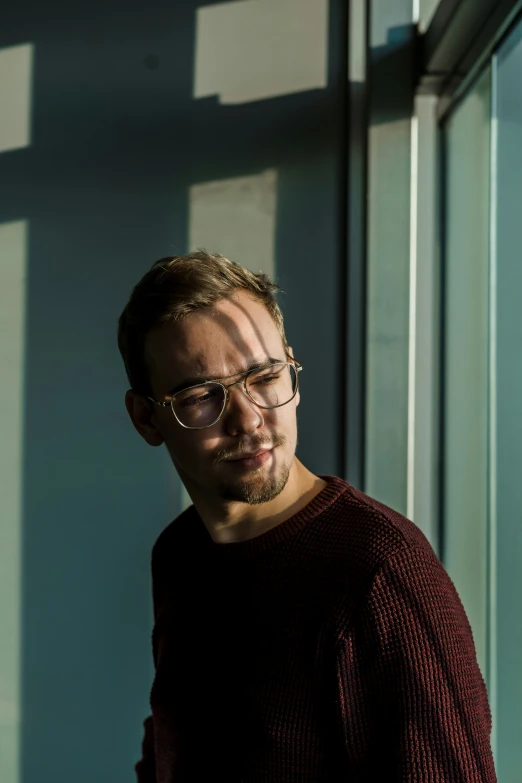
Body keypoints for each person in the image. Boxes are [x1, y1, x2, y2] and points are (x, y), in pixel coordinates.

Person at [118, 251, 496, 783]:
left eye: (265, 376)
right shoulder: (181, 552)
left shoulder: (379, 574)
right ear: (146, 417)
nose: (249, 420)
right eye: (202, 395)